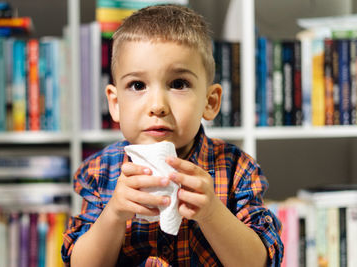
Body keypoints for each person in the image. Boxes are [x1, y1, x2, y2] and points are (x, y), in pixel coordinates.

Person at [62, 4, 283, 267]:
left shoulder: (236, 169)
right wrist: (114, 214)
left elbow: (260, 262)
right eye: (137, 85)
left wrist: (212, 213)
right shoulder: (100, 172)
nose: (158, 105)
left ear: (210, 102)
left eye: (178, 84)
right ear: (115, 103)